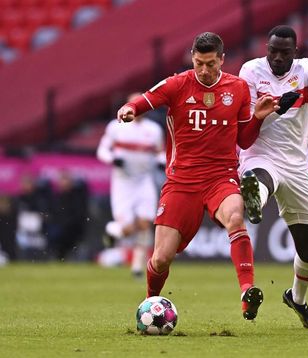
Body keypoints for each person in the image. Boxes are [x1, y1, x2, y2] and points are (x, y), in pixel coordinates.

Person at [116, 32, 279, 320]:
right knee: (161, 257)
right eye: (199, 63)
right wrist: (130, 108)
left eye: (211, 64)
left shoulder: (238, 88)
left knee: (236, 218)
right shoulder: (178, 84)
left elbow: (244, 140)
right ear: (192, 57)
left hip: (221, 176)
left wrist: (257, 117)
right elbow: (147, 99)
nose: (204, 70)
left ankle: (247, 292)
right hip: (182, 181)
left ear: (222, 60)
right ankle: (150, 303)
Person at [238, 25, 308, 328]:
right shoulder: (251, 71)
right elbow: (243, 121)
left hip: (297, 167)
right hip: (260, 153)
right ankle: (254, 199)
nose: (277, 58)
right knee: (260, 178)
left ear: (294, 52)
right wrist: (271, 109)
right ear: (266, 48)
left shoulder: (306, 70)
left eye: (284, 52)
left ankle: (297, 299)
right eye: (273, 50)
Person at [97, 92, 166, 278]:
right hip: (123, 182)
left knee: (145, 223)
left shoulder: (154, 130)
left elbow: (160, 152)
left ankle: (137, 265)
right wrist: (113, 159)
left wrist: (161, 161)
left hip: (145, 180)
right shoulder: (116, 127)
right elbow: (102, 150)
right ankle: (113, 231)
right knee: (127, 228)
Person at [48, 170, 89, 260]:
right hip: (59, 229)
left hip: (73, 230)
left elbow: (79, 216)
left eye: (66, 180)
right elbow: (52, 214)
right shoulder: (56, 198)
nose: (63, 183)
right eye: (62, 180)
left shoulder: (77, 197)